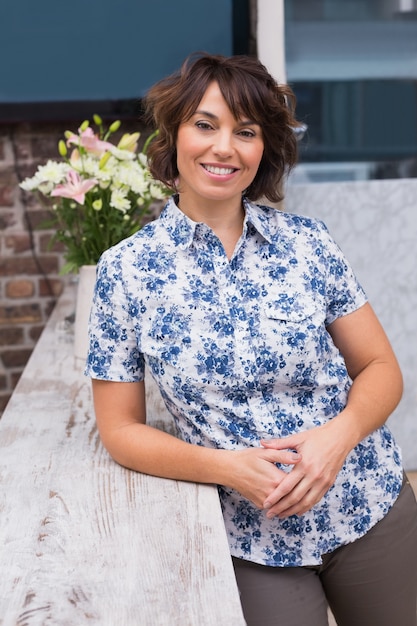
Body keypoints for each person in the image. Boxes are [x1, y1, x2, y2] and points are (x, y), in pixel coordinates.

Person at [85, 53, 417, 626]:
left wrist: (338, 438)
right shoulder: (126, 271)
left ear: (264, 149)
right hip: (247, 539)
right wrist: (228, 469)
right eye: (205, 124)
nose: (224, 148)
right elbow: (119, 430)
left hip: (368, 502)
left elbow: (381, 368)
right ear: (174, 134)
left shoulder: (310, 244)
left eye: (246, 132)